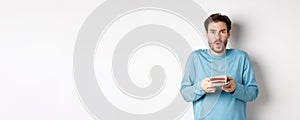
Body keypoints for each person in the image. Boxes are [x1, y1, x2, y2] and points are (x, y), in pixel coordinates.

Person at [180, 13, 259, 120]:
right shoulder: (195, 58)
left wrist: (235, 88)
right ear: (206, 34)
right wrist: (201, 87)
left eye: (222, 31)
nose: (217, 37)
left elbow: (253, 93)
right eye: (213, 32)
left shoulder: (241, 58)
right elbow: (185, 94)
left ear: (229, 34)